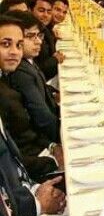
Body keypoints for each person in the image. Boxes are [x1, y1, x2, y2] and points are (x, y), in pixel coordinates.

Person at [0, 14, 62, 180]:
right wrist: (53, 161)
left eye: (18, 45)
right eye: (6, 44)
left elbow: (26, 130)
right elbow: (10, 160)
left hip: (38, 150)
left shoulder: (6, 78)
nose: (14, 52)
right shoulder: (10, 85)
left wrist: (51, 145)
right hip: (30, 170)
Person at [8, 13, 60, 143]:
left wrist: (53, 93)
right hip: (41, 140)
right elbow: (43, 118)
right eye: (30, 36)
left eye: (39, 35)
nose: (38, 41)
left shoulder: (28, 60)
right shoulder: (20, 71)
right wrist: (62, 137)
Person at [30, 0, 65, 82]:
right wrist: (55, 60)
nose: (45, 15)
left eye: (49, 12)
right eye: (41, 11)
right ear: (30, 10)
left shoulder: (44, 30)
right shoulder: (29, 35)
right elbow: (36, 70)